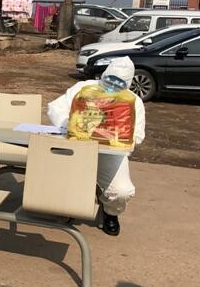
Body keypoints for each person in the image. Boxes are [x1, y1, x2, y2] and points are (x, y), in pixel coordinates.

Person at [46, 57, 146, 236]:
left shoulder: (133, 102)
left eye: (120, 83)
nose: (113, 85)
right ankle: (66, 206)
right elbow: (55, 107)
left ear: (128, 84)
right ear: (104, 75)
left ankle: (110, 213)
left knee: (122, 191)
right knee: (61, 179)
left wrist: (114, 135)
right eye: (110, 79)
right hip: (76, 148)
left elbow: (137, 135)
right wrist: (70, 124)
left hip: (110, 153)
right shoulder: (84, 89)